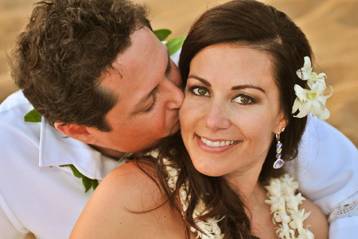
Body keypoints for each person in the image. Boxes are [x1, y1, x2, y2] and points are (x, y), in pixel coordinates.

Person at [0, 0, 356, 238]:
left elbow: (347, 189)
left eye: (168, 68)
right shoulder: (10, 158)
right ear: (78, 131)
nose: (181, 97)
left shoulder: (216, 75)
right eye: (150, 100)